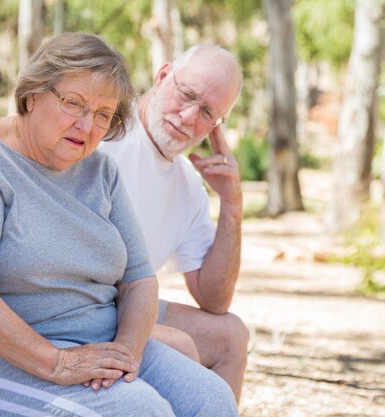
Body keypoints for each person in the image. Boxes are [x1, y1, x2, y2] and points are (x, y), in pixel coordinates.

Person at [0, 32, 238, 417]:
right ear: (32, 94)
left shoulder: (100, 171)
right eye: (73, 103)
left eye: (103, 115)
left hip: (96, 341)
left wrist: (128, 353)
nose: (87, 125)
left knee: (212, 400)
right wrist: (57, 362)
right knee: (139, 412)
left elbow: (140, 279)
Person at [100, 44, 249, 402]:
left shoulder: (188, 184)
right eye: (187, 95)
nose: (187, 118)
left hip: (131, 307)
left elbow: (214, 299)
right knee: (180, 346)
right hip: (80, 307)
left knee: (231, 335)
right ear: (163, 75)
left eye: (208, 113)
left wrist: (231, 204)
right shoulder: (104, 133)